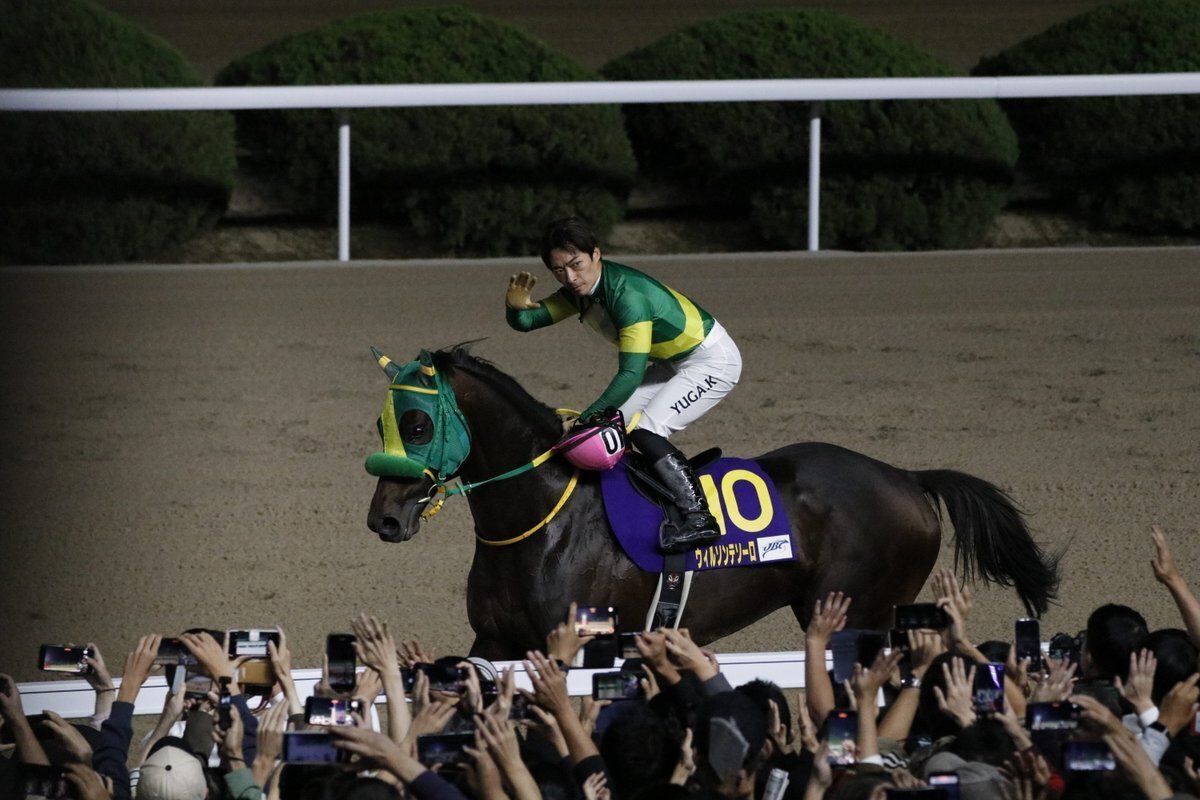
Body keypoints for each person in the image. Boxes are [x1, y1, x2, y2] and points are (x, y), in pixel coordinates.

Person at [505, 216, 743, 553]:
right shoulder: (580, 292)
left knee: (646, 429)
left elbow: (630, 374)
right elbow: (529, 321)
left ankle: (699, 517)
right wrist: (514, 309)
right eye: (559, 271)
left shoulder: (626, 295)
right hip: (672, 361)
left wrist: (587, 416)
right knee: (614, 426)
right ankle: (646, 494)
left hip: (711, 361)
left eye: (576, 265)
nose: (570, 278)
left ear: (596, 254)